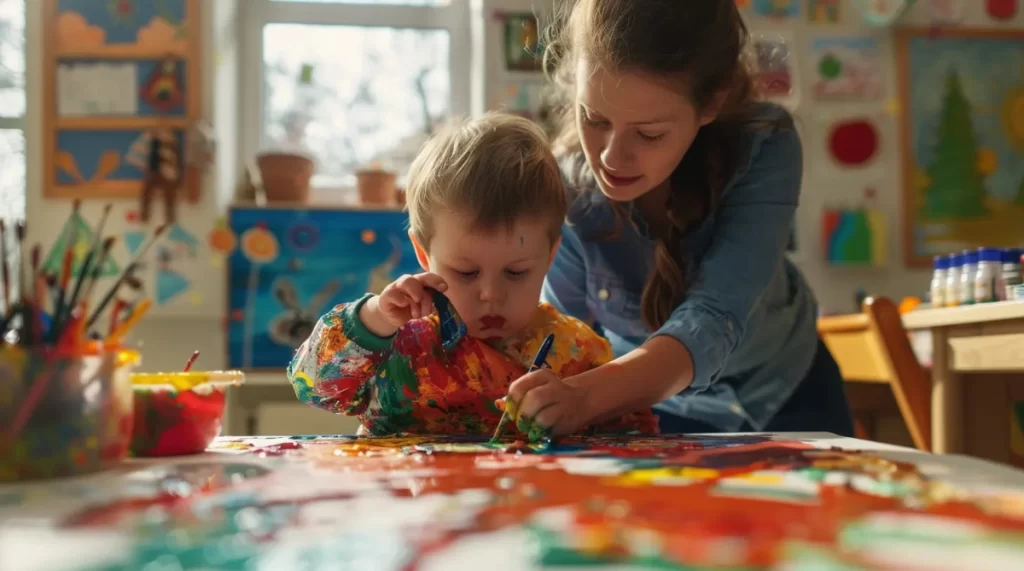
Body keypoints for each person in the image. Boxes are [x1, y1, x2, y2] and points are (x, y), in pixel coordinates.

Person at [505, 0, 854, 438]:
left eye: (649, 133)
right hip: (644, 399)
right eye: (594, 118)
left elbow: (714, 315)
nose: (611, 157)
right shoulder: (566, 189)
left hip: (785, 387)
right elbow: (556, 338)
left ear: (711, 103)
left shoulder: (766, 145)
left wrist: (583, 398)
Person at [287, 112, 658, 438]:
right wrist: (373, 320)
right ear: (423, 254)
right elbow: (313, 387)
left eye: (515, 272)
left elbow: (633, 439)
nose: (490, 294)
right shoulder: (399, 342)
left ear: (550, 256)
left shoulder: (579, 353)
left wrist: (576, 415)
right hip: (409, 510)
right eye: (466, 273)